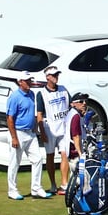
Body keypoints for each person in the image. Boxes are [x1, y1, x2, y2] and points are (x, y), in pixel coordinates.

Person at [7, 70, 53, 200]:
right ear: (20, 82)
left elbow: (31, 113)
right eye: (27, 81)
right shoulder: (14, 97)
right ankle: (12, 190)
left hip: (30, 133)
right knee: (15, 162)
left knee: (37, 159)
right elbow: (10, 118)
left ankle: (36, 188)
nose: (29, 83)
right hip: (18, 133)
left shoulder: (32, 94)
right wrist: (14, 137)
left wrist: (35, 128)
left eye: (30, 80)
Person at [37, 66, 71, 195]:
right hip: (49, 128)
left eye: (57, 74)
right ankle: (52, 184)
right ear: (47, 77)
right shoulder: (42, 94)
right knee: (50, 156)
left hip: (63, 128)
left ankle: (64, 184)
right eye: (53, 75)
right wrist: (42, 133)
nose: (56, 77)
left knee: (65, 154)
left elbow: (70, 105)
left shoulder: (63, 90)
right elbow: (39, 114)